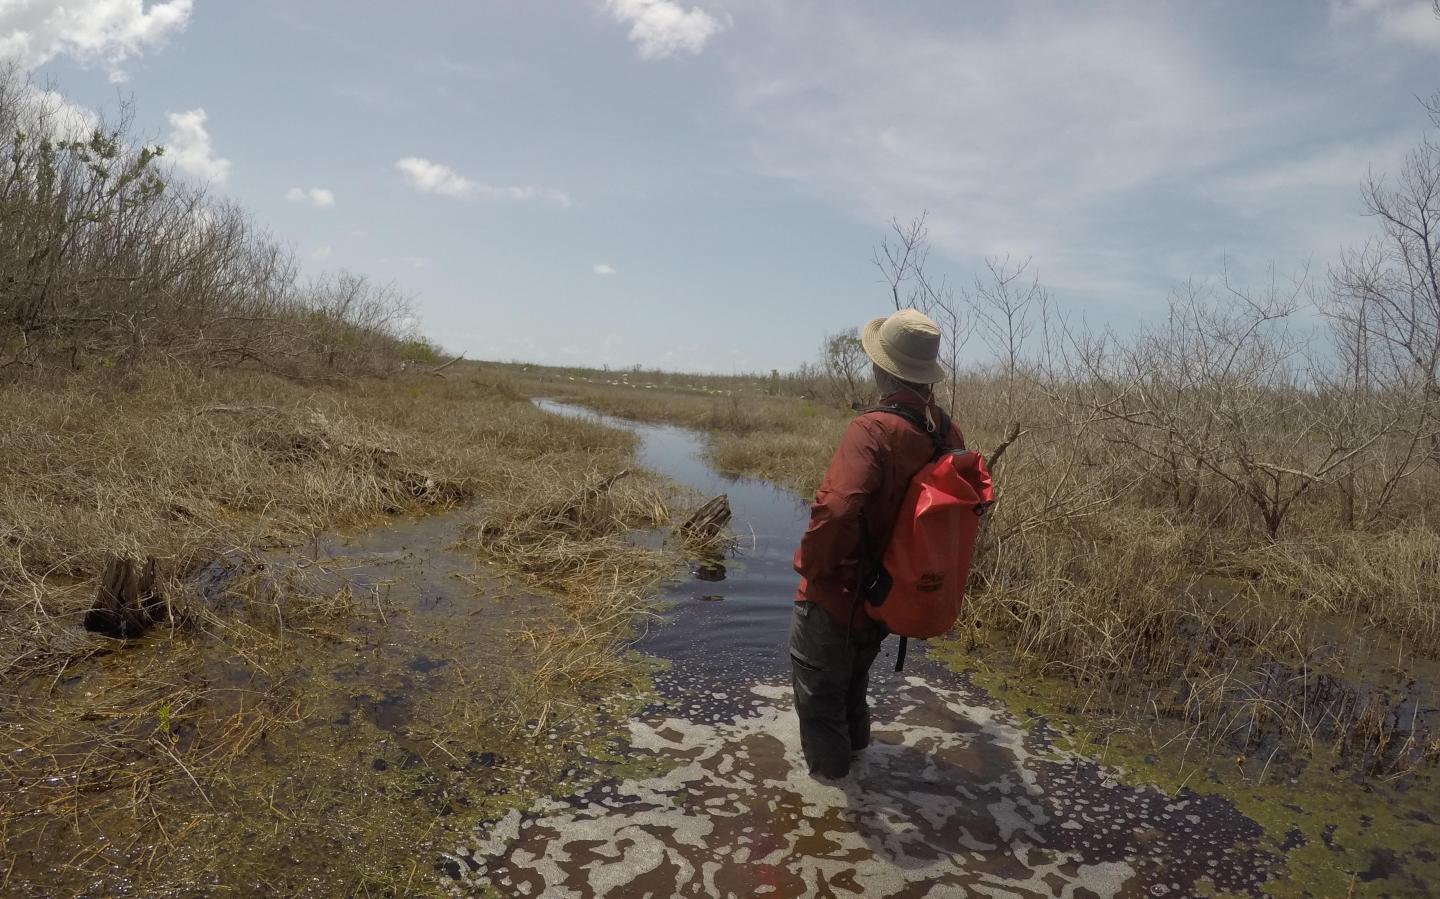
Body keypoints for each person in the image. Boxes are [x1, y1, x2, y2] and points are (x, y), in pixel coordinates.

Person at [789, 308, 963, 779]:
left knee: (820, 701)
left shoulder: (871, 429)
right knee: (852, 686)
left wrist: (813, 569)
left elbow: (839, 510)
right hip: (888, 594)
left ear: (880, 367)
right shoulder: (946, 432)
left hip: (837, 595)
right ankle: (861, 778)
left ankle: (829, 815)